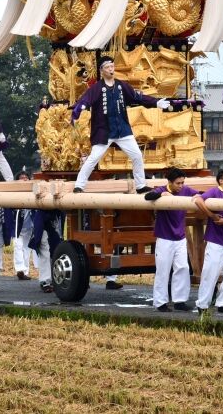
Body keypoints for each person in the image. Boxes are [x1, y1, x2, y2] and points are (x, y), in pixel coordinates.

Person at [71, 55, 171, 194]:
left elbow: (138, 97)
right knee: (93, 158)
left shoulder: (121, 85)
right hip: (104, 130)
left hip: (122, 129)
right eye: (107, 67)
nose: (111, 69)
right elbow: (85, 101)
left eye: (112, 66)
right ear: (101, 70)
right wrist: (77, 111)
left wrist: (155, 102)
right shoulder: (96, 88)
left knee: (136, 155)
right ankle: (79, 186)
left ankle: (141, 185)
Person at [143, 168, 201, 312]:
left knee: (183, 268)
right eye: (178, 183)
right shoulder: (161, 189)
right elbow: (148, 197)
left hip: (180, 238)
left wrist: (198, 197)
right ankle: (160, 302)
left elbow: (200, 195)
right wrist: (161, 194)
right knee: (163, 270)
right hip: (164, 238)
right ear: (169, 182)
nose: (181, 186)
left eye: (182, 183)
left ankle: (179, 301)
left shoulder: (186, 190)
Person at [193, 169, 223, 315]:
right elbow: (198, 200)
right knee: (210, 274)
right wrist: (212, 216)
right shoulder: (214, 192)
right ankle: (202, 304)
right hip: (216, 242)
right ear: (221, 180)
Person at [27, 209, 63, 293]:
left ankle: (53, 279)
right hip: (42, 213)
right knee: (44, 251)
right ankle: (45, 281)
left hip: (56, 215)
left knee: (55, 250)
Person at [12, 171, 37, 281]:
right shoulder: (14, 192)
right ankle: (19, 269)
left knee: (27, 249)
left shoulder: (33, 191)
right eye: (21, 178)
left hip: (29, 226)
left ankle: (25, 271)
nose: (24, 179)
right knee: (18, 247)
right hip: (17, 227)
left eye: (26, 177)